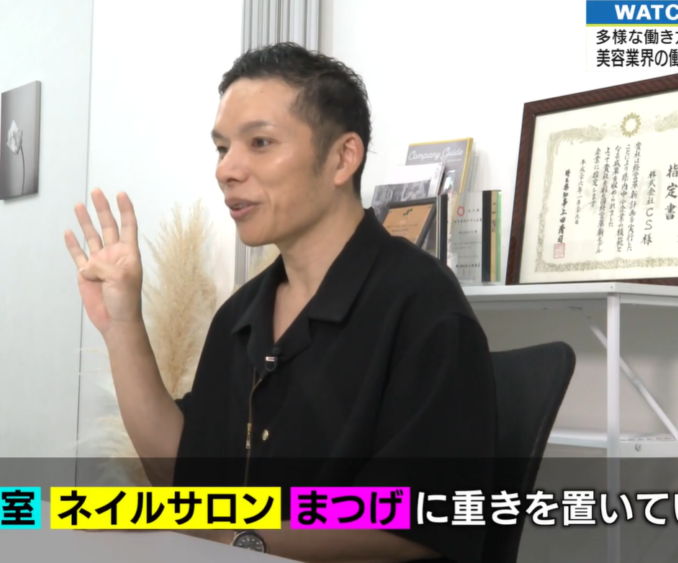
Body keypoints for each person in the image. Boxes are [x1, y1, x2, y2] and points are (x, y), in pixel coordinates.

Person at [64, 42, 496, 563]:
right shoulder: (241, 317)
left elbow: (423, 526)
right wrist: (122, 325)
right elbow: (184, 480)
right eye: (222, 148)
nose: (227, 170)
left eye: (260, 143)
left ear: (342, 158)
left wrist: (232, 538)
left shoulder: (421, 307)